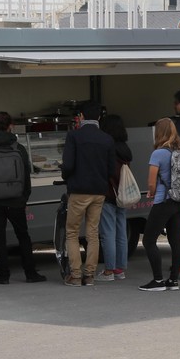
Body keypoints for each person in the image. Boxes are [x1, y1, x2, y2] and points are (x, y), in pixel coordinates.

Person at [0, 111, 45, 284]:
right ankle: (30, 273)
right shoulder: (19, 148)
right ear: (11, 125)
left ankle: (3, 275)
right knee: (23, 235)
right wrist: (24, 198)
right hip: (16, 200)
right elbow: (26, 176)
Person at [60, 101, 116, 287]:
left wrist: (66, 176)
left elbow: (68, 165)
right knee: (92, 233)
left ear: (81, 116)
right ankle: (90, 275)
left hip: (78, 190)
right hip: (99, 191)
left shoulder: (74, 136)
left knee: (72, 232)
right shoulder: (107, 139)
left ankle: (75, 275)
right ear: (99, 117)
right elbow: (111, 169)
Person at [138, 119, 180, 292]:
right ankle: (173, 280)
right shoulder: (179, 151)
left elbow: (151, 181)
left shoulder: (158, 154)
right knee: (175, 241)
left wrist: (151, 192)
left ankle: (158, 280)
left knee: (149, 240)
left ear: (158, 133)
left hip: (163, 202)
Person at [95, 113, 133, 282]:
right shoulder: (125, 149)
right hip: (123, 195)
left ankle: (109, 270)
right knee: (121, 233)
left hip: (109, 194)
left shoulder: (106, 148)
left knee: (107, 233)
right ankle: (120, 269)